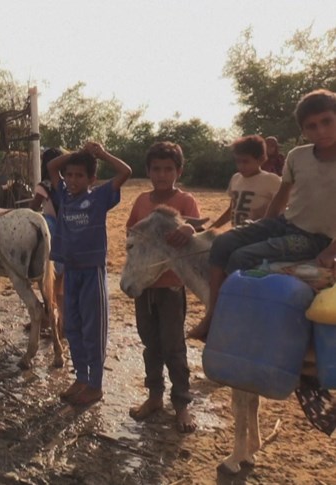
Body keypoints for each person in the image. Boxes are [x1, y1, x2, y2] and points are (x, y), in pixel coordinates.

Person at [193, 89, 336, 341]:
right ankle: (212, 314)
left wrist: (330, 251)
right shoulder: (297, 156)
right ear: (303, 131)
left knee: (241, 256)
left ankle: (236, 323)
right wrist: (264, 224)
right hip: (285, 223)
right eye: (311, 126)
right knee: (223, 243)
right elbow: (282, 195)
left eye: (327, 121)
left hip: (317, 238)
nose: (320, 131)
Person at [48, 141, 132, 406]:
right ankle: (81, 378)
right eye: (69, 174)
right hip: (71, 271)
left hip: (91, 272)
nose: (72, 179)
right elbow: (51, 166)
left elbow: (125, 172)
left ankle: (95, 385)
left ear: (91, 179)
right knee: (72, 326)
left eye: (79, 175)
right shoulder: (63, 195)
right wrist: (77, 154)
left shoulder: (98, 197)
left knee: (92, 329)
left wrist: (100, 153)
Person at [125, 142, 201, 433]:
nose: (161, 174)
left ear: (178, 171)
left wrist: (187, 228)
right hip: (144, 286)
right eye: (156, 169)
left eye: (168, 169)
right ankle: (154, 396)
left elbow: (196, 228)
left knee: (174, 346)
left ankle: (182, 404)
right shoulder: (142, 201)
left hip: (170, 287)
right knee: (150, 343)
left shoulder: (185, 201)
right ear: (148, 171)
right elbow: (132, 231)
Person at [207, 135, 282, 231]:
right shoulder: (235, 178)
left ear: (261, 159)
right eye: (238, 161)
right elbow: (231, 210)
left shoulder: (272, 180)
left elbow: (281, 211)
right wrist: (210, 229)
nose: (241, 166)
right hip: (237, 234)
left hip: (258, 236)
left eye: (245, 161)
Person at [30, 147, 67, 332]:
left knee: (49, 283)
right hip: (68, 235)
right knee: (63, 284)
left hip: (52, 238)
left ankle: (51, 321)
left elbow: (32, 208)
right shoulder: (67, 186)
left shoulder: (43, 186)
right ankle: (63, 324)